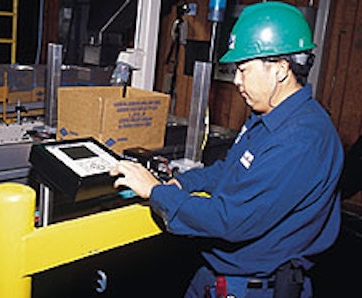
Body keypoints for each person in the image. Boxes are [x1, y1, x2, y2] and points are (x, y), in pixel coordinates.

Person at [110, 2, 344, 297]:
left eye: (244, 70)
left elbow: (232, 220)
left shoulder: (303, 139)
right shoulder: (267, 116)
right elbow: (230, 171)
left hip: (254, 288)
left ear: (281, 70)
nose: (236, 81)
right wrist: (184, 182)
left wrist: (156, 191)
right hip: (218, 276)